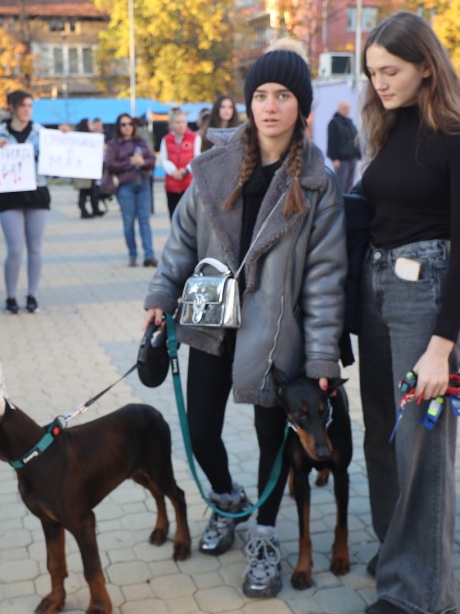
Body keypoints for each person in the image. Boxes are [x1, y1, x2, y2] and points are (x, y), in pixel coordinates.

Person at [144, 45, 346, 598]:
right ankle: (227, 498)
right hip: (210, 320)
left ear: (301, 107)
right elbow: (183, 238)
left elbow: (326, 280)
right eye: (260, 95)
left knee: (271, 442)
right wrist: (162, 292)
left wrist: (323, 357)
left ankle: (262, 536)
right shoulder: (214, 165)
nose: (270, 106)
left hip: (276, 331)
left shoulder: (319, 186)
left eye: (283, 96)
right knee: (202, 430)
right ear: (248, 102)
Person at [356, 12, 460, 614]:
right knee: (382, 431)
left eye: (390, 71)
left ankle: (420, 595)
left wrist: (442, 345)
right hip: (377, 287)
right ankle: (397, 555)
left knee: (421, 443)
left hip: (427, 293)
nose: (379, 83)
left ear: (425, 67)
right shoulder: (389, 124)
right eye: (371, 73)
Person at [0, 90, 50, 315]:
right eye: (23, 105)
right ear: (12, 107)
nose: (27, 110)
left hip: (37, 193)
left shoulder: (40, 131)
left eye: (30, 106)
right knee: (15, 249)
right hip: (9, 195)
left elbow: (55, 157)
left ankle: (32, 295)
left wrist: (63, 138)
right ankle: (10, 296)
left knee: (35, 248)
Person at [105, 113, 156, 267]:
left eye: (129, 124)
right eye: (123, 124)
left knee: (144, 221)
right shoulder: (115, 144)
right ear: (119, 127)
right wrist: (130, 162)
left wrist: (142, 162)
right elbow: (110, 164)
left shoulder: (141, 141)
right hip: (125, 186)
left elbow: (151, 159)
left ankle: (149, 255)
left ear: (134, 126)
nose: (127, 127)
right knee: (128, 222)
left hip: (143, 184)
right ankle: (132, 255)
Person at [159, 109, 201, 217]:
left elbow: (196, 157)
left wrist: (186, 170)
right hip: (172, 184)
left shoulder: (194, 138)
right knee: (174, 216)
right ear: (172, 124)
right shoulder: (166, 139)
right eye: (178, 122)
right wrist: (173, 171)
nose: (181, 125)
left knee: (189, 216)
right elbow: (163, 159)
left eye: (183, 122)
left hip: (188, 183)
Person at [73, 118, 105, 219]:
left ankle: (95, 209)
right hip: (83, 171)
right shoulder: (81, 138)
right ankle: (84, 210)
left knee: (93, 191)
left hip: (91, 170)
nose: (92, 125)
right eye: (90, 124)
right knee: (84, 192)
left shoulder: (93, 137)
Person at [326, 100, 362, 192]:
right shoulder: (334, 123)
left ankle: (347, 203)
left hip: (352, 158)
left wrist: (358, 154)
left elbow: (355, 139)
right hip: (341, 160)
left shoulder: (350, 124)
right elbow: (332, 141)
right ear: (339, 109)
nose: (347, 110)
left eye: (348, 108)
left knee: (349, 185)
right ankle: (340, 204)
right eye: (345, 108)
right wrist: (335, 158)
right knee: (341, 184)